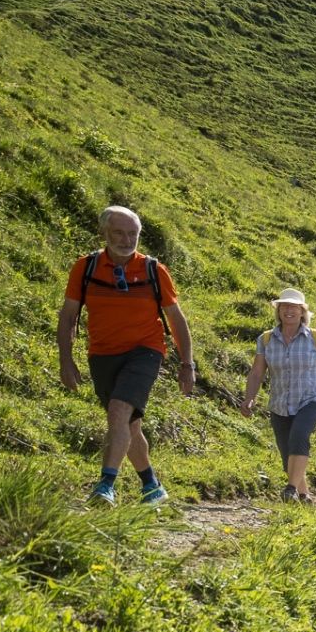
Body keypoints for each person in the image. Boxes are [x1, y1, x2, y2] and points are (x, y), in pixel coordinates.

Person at [57, 205, 197, 505]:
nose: (126, 239)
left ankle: (105, 485)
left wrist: (187, 364)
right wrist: (65, 361)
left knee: (119, 410)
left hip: (145, 351)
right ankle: (152, 486)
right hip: (102, 353)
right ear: (104, 233)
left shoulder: (153, 270)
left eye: (132, 233)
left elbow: (176, 319)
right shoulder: (86, 268)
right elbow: (68, 316)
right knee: (129, 425)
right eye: (119, 232)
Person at [241, 288, 316, 503]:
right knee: (287, 455)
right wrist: (250, 398)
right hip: (280, 403)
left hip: (311, 399)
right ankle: (303, 494)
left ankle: (290, 488)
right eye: (284, 306)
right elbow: (257, 372)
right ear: (278, 311)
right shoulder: (266, 339)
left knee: (299, 436)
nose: (288, 311)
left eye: (294, 307)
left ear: (302, 311)